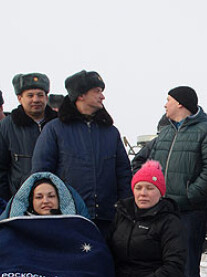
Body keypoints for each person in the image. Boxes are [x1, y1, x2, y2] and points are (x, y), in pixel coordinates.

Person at [132, 86, 207, 277]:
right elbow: (140, 161)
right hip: (161, 210)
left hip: (190, 212)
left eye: (168, 100)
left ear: (181, 104)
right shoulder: (164, 133)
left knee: (188, 265)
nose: (165, 105)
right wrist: (145, 188)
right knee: (162, 264)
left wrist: (190, 195)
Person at [31, 70, 132, 237]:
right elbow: (41, 174)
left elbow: (123, 174)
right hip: (68, 218)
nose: (102, 97)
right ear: (81, 95)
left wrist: (125, 210)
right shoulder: (54, 130)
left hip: (108, 220)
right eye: (97, 91)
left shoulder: (111, 132)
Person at [110, 161, 185, 277]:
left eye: (150, 188)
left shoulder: (170, 222)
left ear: (160, 192)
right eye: (139, 187)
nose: (143, 193)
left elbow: (173, 268)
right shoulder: (121, 214)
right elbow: (107, 252)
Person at [0, 73, 58, 201]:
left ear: (46, 98)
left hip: (54, 201)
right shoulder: (6, 126)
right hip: (19, 201)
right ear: (20, 98)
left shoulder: (58, 124)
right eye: (30, 95)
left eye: (40, 95)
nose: (36, 100)